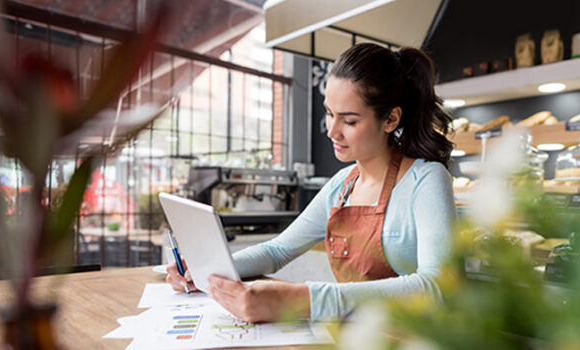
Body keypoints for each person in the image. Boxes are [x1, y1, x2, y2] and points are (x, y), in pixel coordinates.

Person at [166, 43, 456, 323]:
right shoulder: (341, 186)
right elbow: (277, 251)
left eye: (349, 121)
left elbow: (437, 288)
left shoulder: (427, 180)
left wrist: (300, 299)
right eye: (329, 113)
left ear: (391, 119)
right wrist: (206, 271)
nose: (332, 131)